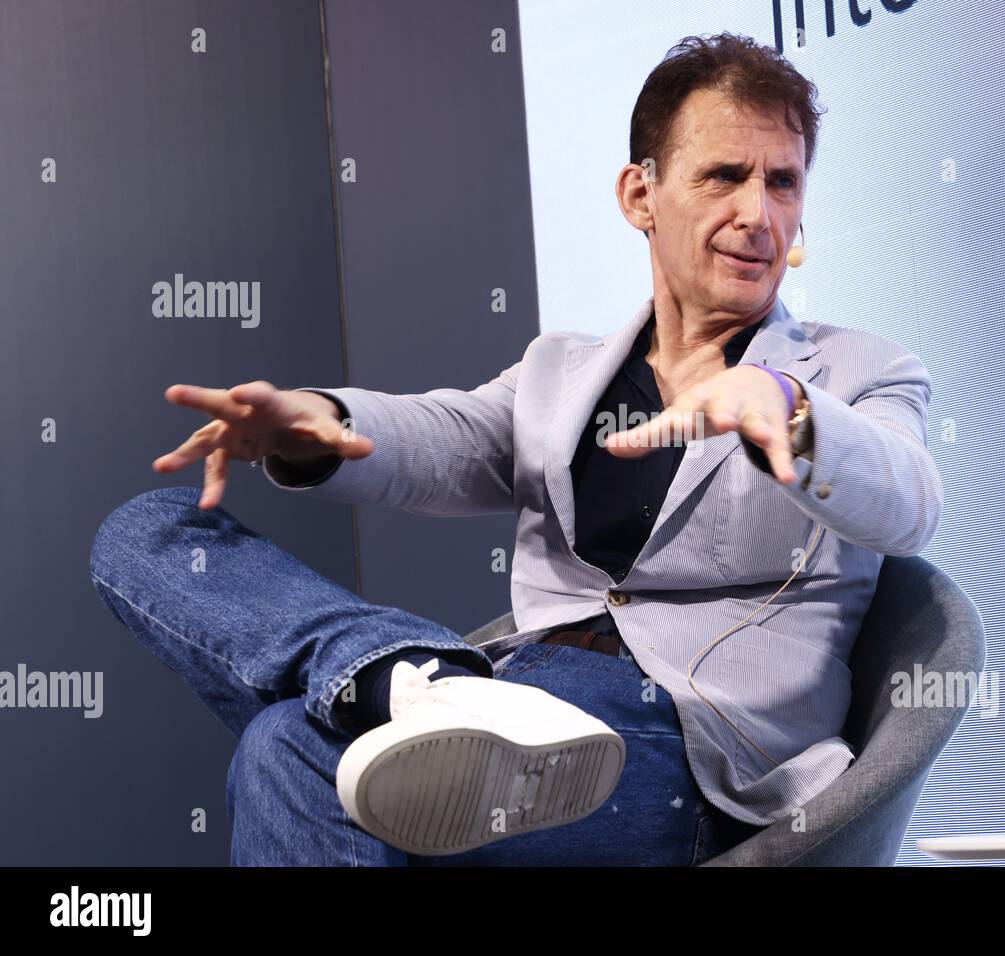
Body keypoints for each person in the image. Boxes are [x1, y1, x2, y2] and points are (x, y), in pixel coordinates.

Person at [90, 32, 942, 866]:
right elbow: (440, 436)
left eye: (782, 182)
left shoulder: (857, 370)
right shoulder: (558, 371)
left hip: (688, 759)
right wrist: (314, 418)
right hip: (513, 703)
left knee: (291, 750)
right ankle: (406, 682)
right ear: (640, 195)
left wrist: (789, 408)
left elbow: (909, 505)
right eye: (725, 176)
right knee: (145, 533)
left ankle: (401, 680)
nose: (758, 214)